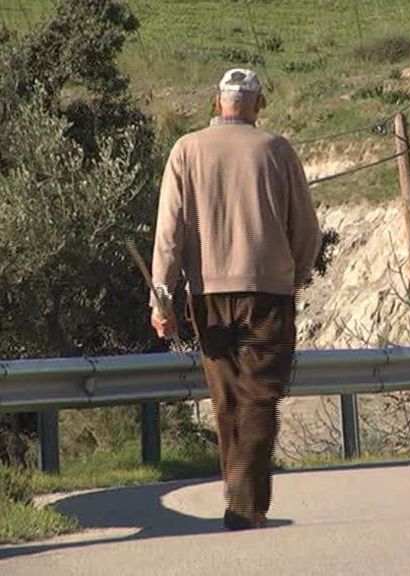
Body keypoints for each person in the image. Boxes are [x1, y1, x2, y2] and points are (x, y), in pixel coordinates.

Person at [149, 68, 321, 531]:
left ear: (216, 102)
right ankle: (247, 505)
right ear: (258, 105)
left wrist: (161, 299)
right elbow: (306, 228)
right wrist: (297, 274)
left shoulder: (186, 150)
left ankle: (242, 500)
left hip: (207, 294)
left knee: (226, 400)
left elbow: (168, 232)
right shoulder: (276, 150)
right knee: (260, 397)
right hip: (267, 291)